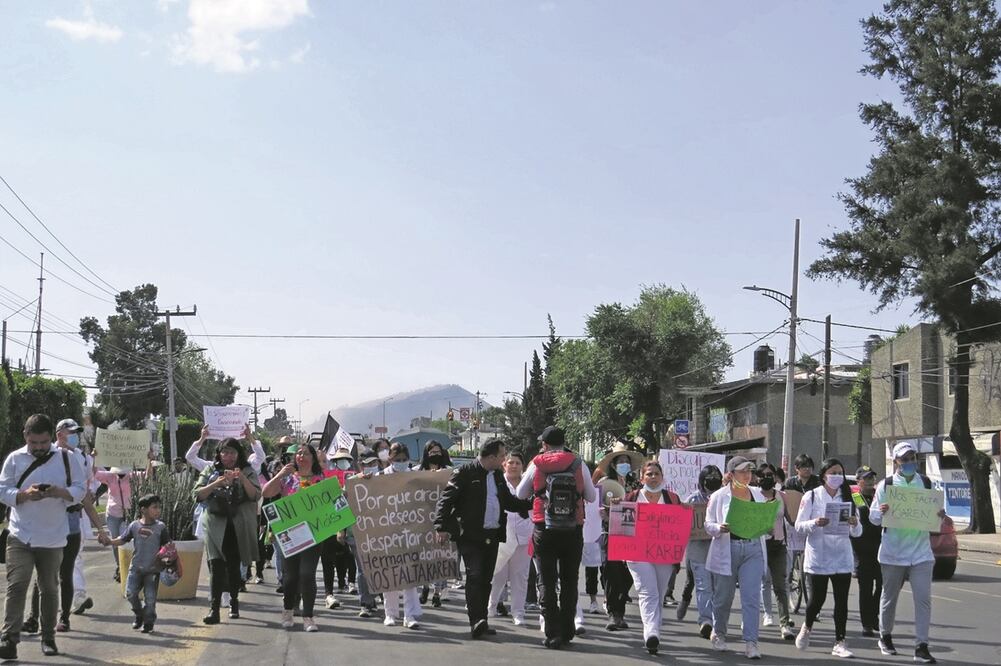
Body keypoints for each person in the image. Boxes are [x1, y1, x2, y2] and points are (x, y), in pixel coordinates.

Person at [0, 414, 87, 660]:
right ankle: (9, 640)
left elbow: (81, 489)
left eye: (44, 442)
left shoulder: (68, 459)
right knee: (17, 586)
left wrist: (60, 492)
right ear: (25, 437)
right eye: (34, 443)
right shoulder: (15, 459)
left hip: (52, 537)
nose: (38, 448)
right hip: (20, 535)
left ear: (52, 438)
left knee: (49, 588)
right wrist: (23, 495)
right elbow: (2, 489)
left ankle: (48, 637)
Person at [435, 439, 532, 638]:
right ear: (491, 457)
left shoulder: (497, 476)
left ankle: (483, 620)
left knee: (487, 579)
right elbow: (446, 500)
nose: (505, 460)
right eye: (502, 456)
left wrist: (531, 504)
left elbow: (508, 501)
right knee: (475, 575)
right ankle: (475, 620)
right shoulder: (465, 473)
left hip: (492, 534)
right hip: (470, 535)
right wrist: (441, 527)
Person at [22, 419, 108, 635]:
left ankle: (64, 617)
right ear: (59, 434)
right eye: (71, 433)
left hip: (70, 522)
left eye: (76, 433)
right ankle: (33, 618)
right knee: (41, 573)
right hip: (45, 522)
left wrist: (100, 527)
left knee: (65, 573)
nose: (75, 437)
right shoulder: (42, 457)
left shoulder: (80, 459)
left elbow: (85, 497)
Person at [516, 426, 597, 650]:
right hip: (573, 529)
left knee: (547, 581)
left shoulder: (537, 463)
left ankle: (553, 633)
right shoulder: (578, 463)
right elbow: (590, 495)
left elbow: (520, 493)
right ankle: (568, 630)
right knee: (570, 581)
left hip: (544, 528)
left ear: (545, 444)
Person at [869, 442, 944, 665]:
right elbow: (874, 518)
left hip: (921, 553)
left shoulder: (927, 482)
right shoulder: (887, 485)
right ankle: (885, 635)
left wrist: (939, 514)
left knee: (923, 600)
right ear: (896, 462)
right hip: (893, 552)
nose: (910, 462)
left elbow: (936, 516)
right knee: (889, 598)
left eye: (912, 457)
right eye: (905, 459)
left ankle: (921, 646)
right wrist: (880, 511)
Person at [794, 458, 862, 658]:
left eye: (840, 473)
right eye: (833, 472)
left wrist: (854, 523)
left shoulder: (850, 496)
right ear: (824, 475)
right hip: (819, 556)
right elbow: (799, 526)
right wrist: (815, 522)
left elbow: (858, 532)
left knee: (842, 601)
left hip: (842, 556)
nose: (837, 476)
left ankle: (840, 641)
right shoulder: (811, 496)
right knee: (818, 599)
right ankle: (807, 626)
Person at [192, 431, 262, 625]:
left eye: (232, 452)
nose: (228, 457)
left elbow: (255, 495)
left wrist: (242, 479)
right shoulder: (210, 471)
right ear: (219, 454)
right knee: (216, 567)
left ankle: (234, 602)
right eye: (225, 452)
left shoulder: (247, 470)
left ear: (238, 454)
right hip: (215, 527)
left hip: (237, 527)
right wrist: (217, 483)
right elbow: (197, 495)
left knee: (233, 567)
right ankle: (214, 609)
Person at [704, 456, 768, 660]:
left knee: (751, 598)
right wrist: (718, 528)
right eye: (742, 471)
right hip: (728, 548)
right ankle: (719, 632)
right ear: (731, 475)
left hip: (753, 549)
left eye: (749, 471)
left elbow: (765, 521)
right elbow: (708, 524)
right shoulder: (719, 496)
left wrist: (766, 525)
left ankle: (751, 642)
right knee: (724, 597)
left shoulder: (758, 494)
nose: (747, 475)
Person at [262, 443, 327, 632]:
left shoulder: (320, 479)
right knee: (290, 578)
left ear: (313, 458)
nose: (301, 456)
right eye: (298, 453)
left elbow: (332, 501)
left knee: (307, 575)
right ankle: (288, 611)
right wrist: (280, 474)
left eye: (306, 453)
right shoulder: (288, 479)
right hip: (289, 535)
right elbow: (266, 492)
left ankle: (308, 617)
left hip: (313, 534)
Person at [623, 461, 682, 655]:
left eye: (657, 473)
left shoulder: (672, 498)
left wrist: (687, 511)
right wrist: (614, 508)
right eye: (649, 474)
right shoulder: (632, 498)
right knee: (647, 591)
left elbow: (680, 526)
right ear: (642, 478)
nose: (653, 477)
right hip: (637, 552)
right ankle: (651, 632)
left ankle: (654, 632)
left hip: (663, 553)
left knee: (658, 592)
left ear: (662, 477)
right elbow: (623, 523)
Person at [99, 494, 169, 633]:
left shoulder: (161, 527)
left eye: (159, 507)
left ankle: (149, 623)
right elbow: (122, 539)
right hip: (136, 568)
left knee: (150, 600)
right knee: (130, 594)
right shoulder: (134, 525)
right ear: (143, 510)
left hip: (152, 570)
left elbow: (168, 545)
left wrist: (167, 558)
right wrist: (109, 541)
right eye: (154, 507)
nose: (158, 510)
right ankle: (139, 615)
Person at [593, 441, 644, 633]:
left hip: (631, 534)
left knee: (628, 573)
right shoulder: (604, 483)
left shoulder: (636, 485)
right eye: (621, 461)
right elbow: (595, 507)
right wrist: (604, 511)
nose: (624, 464)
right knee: (611, 571)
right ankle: (615, 614)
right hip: (609, 532)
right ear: (613, 464)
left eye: (627, 461)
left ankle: (619, 606)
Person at [486, 450, 534, 625]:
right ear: (504, 464)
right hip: (501, 537)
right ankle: (490, 608)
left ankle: (518, 613)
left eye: (517, 463)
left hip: (524, 537)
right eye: (510, 462)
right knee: (497, 575)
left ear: (522, 466)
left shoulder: (529, 486)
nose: (513, 466)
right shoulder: (498, 483)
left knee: (520, 578)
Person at [94, 453, 154, 583]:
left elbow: (147, 475)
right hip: (113, 514)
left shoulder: (132, 476)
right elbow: (95, 473)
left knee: (124, 541)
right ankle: (119, 567)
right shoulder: (109, 477)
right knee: (115, 542)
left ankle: (128, 567)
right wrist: (95, 458)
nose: (121, 474)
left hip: (128, 514)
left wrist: (149, 460)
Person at [381, 443, 422, 629]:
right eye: (398, 460)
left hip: (410, 532)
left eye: (405, 460)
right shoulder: (379, 477)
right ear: (390, 458)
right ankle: (390, 613)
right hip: (386, 533)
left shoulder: (415, 476)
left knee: (410, 576)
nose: (402, 463)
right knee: (389, 573)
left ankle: (410, 615)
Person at [754, 462, 796, 641]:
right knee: (754, 584)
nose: (766, 477)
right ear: (757, 478)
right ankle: (752, 618)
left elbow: (791, 519)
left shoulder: (782, 496)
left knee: (780, 585)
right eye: (762, 475)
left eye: (770, 474)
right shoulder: (752, 496)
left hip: (778, 546)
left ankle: (785, 624)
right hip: (757, 547)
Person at [681, 463, 723, 639]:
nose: (713, 483)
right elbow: (682, 526)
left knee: (718, 588)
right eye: (709, 480)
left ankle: (717, 620)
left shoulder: (725, 499)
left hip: (720, 550)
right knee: (703, 586)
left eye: (716, 480)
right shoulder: (693, 501)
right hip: (698, 551)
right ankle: (706, 621)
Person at [850, 465, 882, 637]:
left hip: (881, 548)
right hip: (862, 551)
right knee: (866, 588)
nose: (870, 482)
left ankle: (874, 614)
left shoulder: (880, 496)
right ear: (858, 481)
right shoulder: (856, 498)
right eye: (866, 478)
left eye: (872, 478)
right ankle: (867, 624)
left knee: (883, 585)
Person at [419, 440, 452, 606]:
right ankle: (425, 586)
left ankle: (437, 593)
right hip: (422, 522)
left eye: (438, 451)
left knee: (441, 558)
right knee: (425, 558)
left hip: (442, 522)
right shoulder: (417, 473)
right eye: (431, 452)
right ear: (426, 454)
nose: (435, 455)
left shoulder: (449, 473)